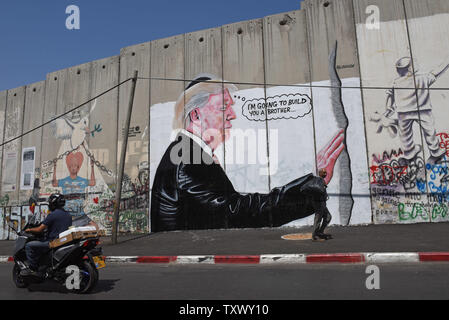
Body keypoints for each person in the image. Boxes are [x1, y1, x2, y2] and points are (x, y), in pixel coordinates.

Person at [150, 74, 345, 232]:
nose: (233, 114)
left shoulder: (185, 151)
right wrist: (310, 191)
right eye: (224, 107)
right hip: (189, 268)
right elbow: (239, 213)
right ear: (196, 114)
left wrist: (311, 182)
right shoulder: (188, 158)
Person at [376, 56, 449, 165]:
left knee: (405, 135)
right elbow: (436, 72)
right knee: (429, 131)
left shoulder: (396, 82)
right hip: (423, 110)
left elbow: (389, 95)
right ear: (411, 68)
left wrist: (388, 108)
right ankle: (436, 151)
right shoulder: (423, 78)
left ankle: (410, 153)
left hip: (403, 112)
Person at [21, 194, 72, 276]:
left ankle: (32, 269)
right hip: (63, 241)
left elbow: (39, 229)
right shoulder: (68, 215)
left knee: (29, 246)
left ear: (53, 203)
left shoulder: (53, 214)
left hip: (53, 242)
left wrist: (29, 230)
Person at [52, 151, 96, 216]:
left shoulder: (82, 181)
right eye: (71, 166)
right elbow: (54, 183)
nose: (73, 168)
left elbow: (93, 182)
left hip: (80, 213)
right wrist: (55, 167)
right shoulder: (64, 181)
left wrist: (92, 166)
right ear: (69, 168)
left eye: (75, 165)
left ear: (78, 168)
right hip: (67, 213)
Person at [311, 169, 333, 241]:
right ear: (320, 173)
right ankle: (314, 235)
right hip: (318, 203)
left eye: (325, 172)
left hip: (322, 203)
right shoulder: (318, 181)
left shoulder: (321, 181)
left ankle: (320, 232)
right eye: (324, 172)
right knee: (318, 219)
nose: (325, 173)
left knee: (328, 217)